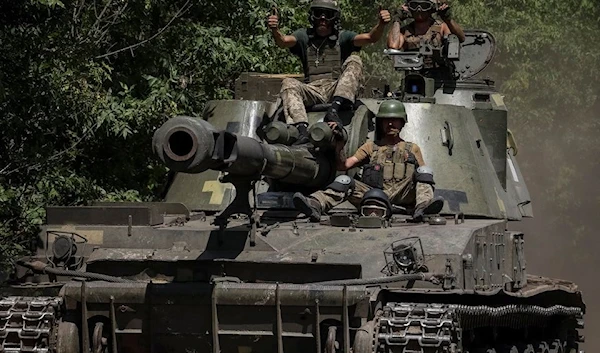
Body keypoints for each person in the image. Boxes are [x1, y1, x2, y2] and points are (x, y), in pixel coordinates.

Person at [293, 99, 444, 222]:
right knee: (345, 180)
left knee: (424, 172)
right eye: (386, 120)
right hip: (375, 196)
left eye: (394, 120)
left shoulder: (413, 148)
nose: (390, 124)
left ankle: (423, 207)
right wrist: (339, 146)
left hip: (403, 195)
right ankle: (315, 204)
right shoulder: (371, 147)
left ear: (402, 122)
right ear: (381, 123)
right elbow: (343, 165)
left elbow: (422, 178)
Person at [267, 0, 391, 141]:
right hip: (312, 90)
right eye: (319, 14)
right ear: (313, 17)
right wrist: (274, 29)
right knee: (288, 83)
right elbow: (283, 41)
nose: (323, 19)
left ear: (335, 18)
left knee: (355, 60)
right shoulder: (304, 36)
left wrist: (381, 24)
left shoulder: (343, 37)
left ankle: (334, 109)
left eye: (328, 15)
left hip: (335, 88)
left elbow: (370, 37)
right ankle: (301, 130)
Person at [387, 0, 465, 51]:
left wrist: (448, 19)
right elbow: (393, 46)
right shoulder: (404, 32)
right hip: (413, 75)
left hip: (439, 74)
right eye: (414, 5)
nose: (419, 9)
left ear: (431, 8)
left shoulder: (441, 27)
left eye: (424, 6)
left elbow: (460, 38)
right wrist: (397, 20)